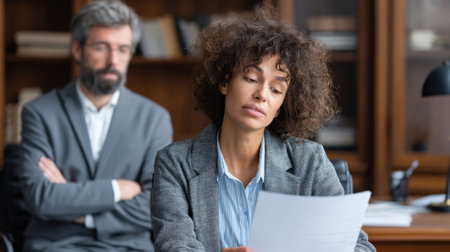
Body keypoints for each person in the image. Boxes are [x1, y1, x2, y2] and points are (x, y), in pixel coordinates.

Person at [151, 6, 376, 252]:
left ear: (280, 107)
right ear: (225, 81)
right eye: (251, 79)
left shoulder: (309, 161)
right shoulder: (175, 163)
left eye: (276, 90)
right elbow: (174, 246)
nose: (261, 95)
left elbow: (359, 247)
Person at [19, 1, 172, 251]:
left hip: (127, 246)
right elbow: (41, 198)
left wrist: (78, 209)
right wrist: (117, 189)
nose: (113, 60)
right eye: (102, 47)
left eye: (123, 49)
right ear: (77, 49)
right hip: (57, 245)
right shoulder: (39, 113)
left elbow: (158, 206)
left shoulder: (154, 118)